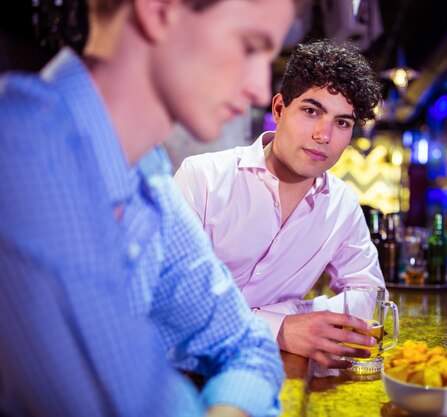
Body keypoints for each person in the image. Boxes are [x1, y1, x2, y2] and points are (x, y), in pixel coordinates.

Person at [0, 0, 297, 416]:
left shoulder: (145, 171)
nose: (259, 90)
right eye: (249, 46)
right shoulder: (22, 154)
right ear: (158, 10)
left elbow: (247, 344)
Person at [173, 40, 385, 368]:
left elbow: (369, 294)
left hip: (263, 371)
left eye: (342, 122)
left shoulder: (341, 206)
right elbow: (172, 302)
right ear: (278, 109)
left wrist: (295, 318)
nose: (323, 135)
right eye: (311, 111)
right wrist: (279, 328)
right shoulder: (203, 179)